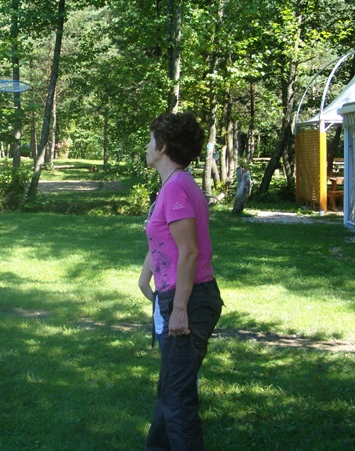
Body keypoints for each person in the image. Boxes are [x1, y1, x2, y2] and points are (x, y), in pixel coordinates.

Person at [141, 112, 223, 451]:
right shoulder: (175, 185)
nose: (146, 147)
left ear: (163, 147)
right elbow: (167, 243)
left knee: (177, 398)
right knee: (170, 390)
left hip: (189, 300)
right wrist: (146, 279)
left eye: (150, 141)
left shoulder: (176, 187)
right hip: (182, 296)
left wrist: (178, 309)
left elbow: (189, 251)